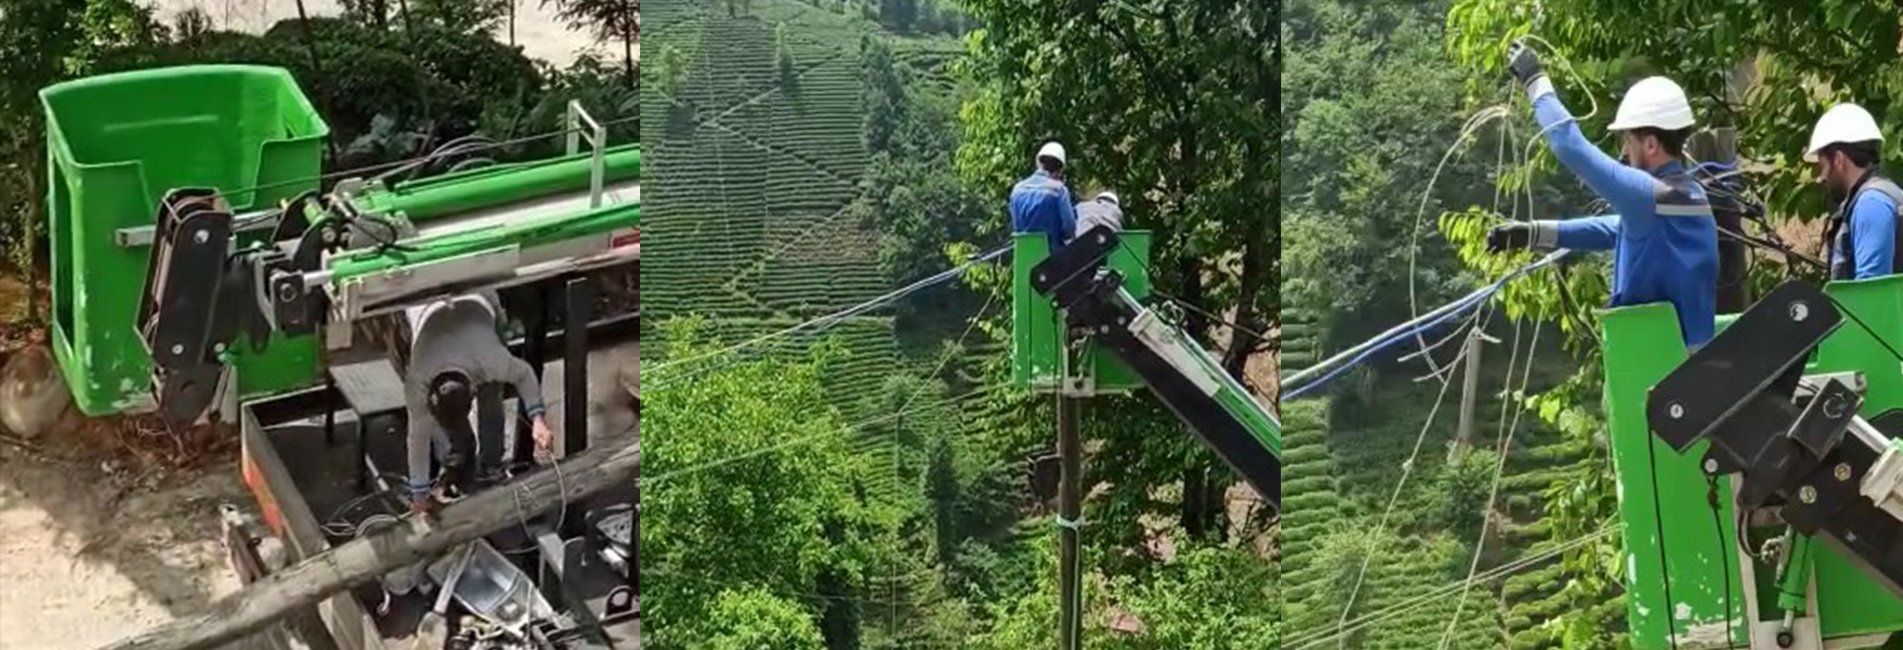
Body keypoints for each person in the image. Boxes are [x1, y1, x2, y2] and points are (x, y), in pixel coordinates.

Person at [1486, 40, 1718, 347]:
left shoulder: (1649, 196)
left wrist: (1534, 78)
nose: (1624, 152)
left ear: (1650, 144)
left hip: (1658, 368)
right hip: (1691, 366)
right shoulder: (1690, 195)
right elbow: (1613, 230)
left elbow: (1569, 145)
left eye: (1628, 141)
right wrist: (1533, 233)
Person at [405, 292, 554, 515]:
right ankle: (458, 459)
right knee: (432, 429)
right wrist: (419, 494)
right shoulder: (418, 379)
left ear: (473, 388)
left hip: (480, 301)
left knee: (492, 397)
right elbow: (417, 438)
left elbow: (524, 374)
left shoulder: (490, 359)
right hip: (426, 308)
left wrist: (538, 419)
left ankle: (491, 466)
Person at [1807, 103, 1901, 280]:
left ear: (1839, 160)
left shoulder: (1871, 205)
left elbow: (1869, 295)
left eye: (1823, 166)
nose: (1821, 178)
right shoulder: (1886, 194)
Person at [1011, 141, 1078, 252]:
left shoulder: (1017, 189)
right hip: (1052, 259)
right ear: (1059, 170)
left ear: (1038, 162)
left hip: (1023, 255)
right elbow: (1069, 228)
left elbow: (1016, 226)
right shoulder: (1059, 190)